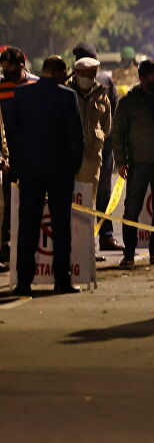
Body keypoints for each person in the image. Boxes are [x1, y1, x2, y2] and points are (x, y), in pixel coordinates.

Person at [8, 56, 84, 296]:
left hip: (30, 171)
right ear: (60, 73)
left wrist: (18, 167)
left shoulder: (22, 95)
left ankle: (23, 282)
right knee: (61, 227)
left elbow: (14, 134)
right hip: (60, 172)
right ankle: (62, 280)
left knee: (28, 226)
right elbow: (76, 137)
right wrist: (73, 168)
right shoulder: (67, 96)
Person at [112, 59, 154, 268]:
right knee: (131, 209)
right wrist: (121, 161)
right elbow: (117, 133)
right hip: (139, 163)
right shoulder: (128, 102)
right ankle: (129, 254)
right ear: (142, 78)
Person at [73, 43, 124, 252]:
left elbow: (110, 117)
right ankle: (90, 241)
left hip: (99, 151)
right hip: (81, 152)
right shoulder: (68, 86)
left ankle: (103, 236)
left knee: (100, 193)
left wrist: (106, 144)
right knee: (90, 195)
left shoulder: (103, 83)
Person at [0, 46, 37, 272]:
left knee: (32, 202)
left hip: (34, 155)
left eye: (10, 69)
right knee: (7, 204)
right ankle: (5, 247)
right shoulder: (1, 86)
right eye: (4, 69)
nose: (6, 73)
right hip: (9, 156)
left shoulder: (35, 84)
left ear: (22, 65)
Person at [68, 57, 112, 193]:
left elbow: (107, 126)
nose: (88, 78)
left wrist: (98, 137)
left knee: (88, 197)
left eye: (91, 74)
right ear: (76, 73)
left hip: (91, 157)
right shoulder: (66, 93)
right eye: (84, 74)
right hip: (67, 157)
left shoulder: (102, 96)